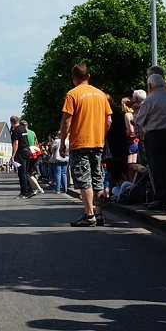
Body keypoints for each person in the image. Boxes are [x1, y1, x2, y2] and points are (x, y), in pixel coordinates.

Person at [58, 63, 112, 227]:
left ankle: (89, 215)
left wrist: (62, 142)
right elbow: (109, 120)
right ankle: (99, 214)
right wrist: (101, 136)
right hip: (97, 142)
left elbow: (66, 120)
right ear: (88, 76)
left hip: (80, 142)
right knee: (98, 178)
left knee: (84, 179)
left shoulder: (72, 94)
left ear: (74, 78)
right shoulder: (101, 94)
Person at [133, 73, 166, 212]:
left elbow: (139, 120)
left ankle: (163, 200)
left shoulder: (150, 100)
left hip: (156, 136)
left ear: (150, 86)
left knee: (158, 169)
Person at [10, 116, 31, 198]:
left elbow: (15, 144)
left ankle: (24, 192)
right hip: (27, 151)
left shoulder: (15, 130)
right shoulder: (23, 129)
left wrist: (13, 155)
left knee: (21, 173)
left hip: (21, 152)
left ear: (11, 122)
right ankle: (30, 189)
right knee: (25, 172)